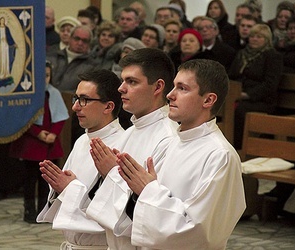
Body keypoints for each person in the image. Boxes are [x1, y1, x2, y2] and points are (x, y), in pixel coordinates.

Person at [115, 59, 246, 249]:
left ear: (208, 100)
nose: (170, 95)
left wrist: (148, 190)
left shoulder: (220, 156)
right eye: (174, 86)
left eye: (182, 88)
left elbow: (200, 231)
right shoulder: (172, 142)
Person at [87, 48, 178, 249]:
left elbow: (159, 208)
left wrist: (111, 173)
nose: (121, 88)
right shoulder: (129, 133)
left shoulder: (169, 138)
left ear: (158, 87)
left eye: (132, 82)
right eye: (123, 80)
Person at [36, 69, 124, 249]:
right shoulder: (82, 140)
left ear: (108, 106)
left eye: (84, 100)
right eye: (76, 99)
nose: (75, 106)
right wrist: (60, 188)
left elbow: (116, 210)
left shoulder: (122, 145)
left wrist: (70, 189)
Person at [9, 61, 69, 223]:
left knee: (47, 180)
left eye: (48, 75)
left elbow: (60, 117)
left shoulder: (53, 93)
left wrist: (54, 134)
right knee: (30, 179)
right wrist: (38, 133)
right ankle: (29, 209)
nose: (45, 79)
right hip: (32, 144)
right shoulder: (26, 94)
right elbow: (23, 119)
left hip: (50, 144)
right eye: (41, 76)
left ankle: (45, 208)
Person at [228, 24, 283, 149]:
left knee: (240, 110)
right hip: (237, 95)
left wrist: (247, 95)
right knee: (220, 107)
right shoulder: (241, 54)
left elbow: (270, 84)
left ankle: (238, 148)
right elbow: (232, 75)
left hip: (261, 100)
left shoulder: (273, 56)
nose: (254, 39)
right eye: (252, 36)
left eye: (259, 37)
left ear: (267, 39)